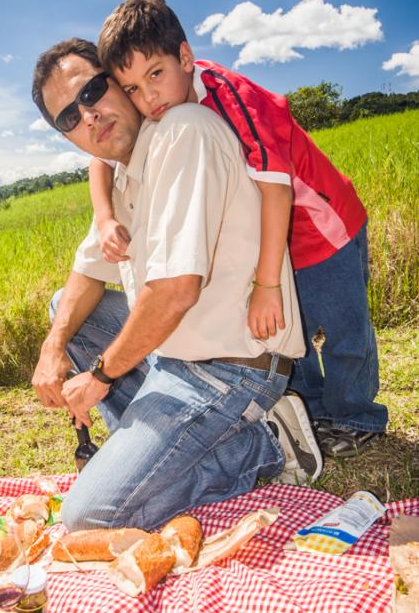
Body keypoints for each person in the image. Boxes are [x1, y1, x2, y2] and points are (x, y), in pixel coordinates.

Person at [30, 38, 321, 531]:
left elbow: (176, 291)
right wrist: (51, 347)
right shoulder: (125, 173)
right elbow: (88, 271)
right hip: (173, 357)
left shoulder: (183, 133)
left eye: (92, 92)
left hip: (230, 369)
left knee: (89, 518)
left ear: (119, 82)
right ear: (67, 137)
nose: (89, 116)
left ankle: (265, 444)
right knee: (67, 309)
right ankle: (149, 453)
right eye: (69, 118)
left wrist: (101, 376)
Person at [90, 0, 388, 458]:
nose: (148, 98)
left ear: (185, 58)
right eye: (131, 88)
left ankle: (356, 415)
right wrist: (105, 216)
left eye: (155, 74)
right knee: (294, 333)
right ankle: (310, 412)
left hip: (324, 229)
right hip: (279, 241)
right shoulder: (164, 113)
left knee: (345, 330)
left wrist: (267, 282)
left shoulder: (233, 95)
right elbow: (100, 154)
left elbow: (278, 191)